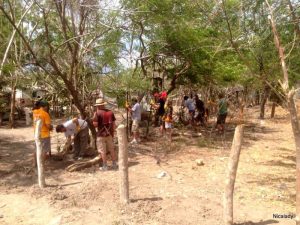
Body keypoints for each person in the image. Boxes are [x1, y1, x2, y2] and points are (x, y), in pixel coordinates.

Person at [92, 98, 117, 171]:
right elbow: (114, 125)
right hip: (109, 134)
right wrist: (112, 133)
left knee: (102, 151)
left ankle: (105, 166)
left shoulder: (97, 113)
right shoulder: (110, 112)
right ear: (103, 104)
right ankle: (114, 164)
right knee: (112, 149)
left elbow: (95, 125)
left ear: (98, 106)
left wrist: (94, 117)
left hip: (101, 135)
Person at [33, 100, 53, 165]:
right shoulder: (45, 114)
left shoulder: (34, 112)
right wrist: (51, 127)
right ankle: (42, 164)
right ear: (45, 106)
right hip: (44, 135)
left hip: (37, 134)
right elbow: (48, 125)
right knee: (44, 150)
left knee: (37, 149)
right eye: (47, 106)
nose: (47, 108)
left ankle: (35, 164)